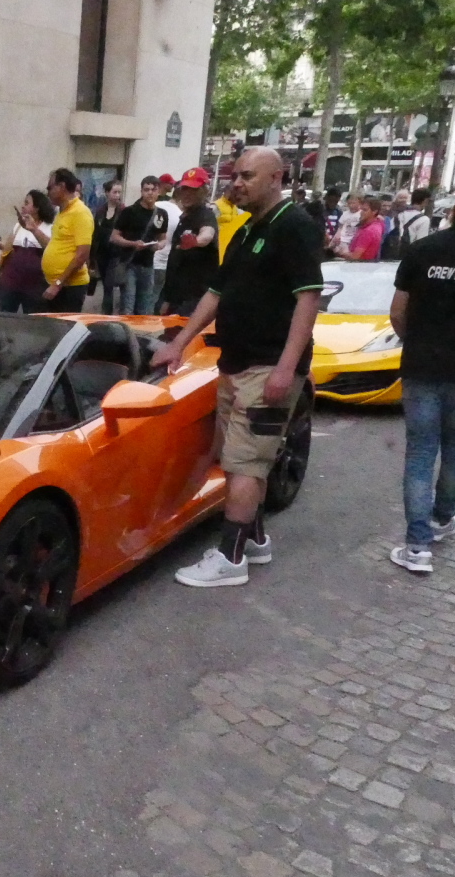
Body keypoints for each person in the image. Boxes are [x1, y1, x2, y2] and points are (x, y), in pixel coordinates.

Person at [151, 147, 323, 587]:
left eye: (247, 176)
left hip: (267, 366)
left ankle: (230, 557)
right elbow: (217, 291)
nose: (236, 183)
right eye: (234, 176)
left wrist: (286, 368)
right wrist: (180, 343)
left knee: (245, 462)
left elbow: (308, 298)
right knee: (240, 458)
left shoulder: (295, 227)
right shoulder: (250, 230)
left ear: (275, 178)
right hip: (236, 363)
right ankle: (256, 538)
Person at [386, 164, 455, 573]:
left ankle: (417, 546)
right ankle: (443, 516)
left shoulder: (424, 250)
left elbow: (398, 312)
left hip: (423, 365)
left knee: (420, 451)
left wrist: (416, 341)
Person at [157, 167, 219, 317]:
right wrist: (167, 299)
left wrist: (195, 241)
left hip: (194, 300)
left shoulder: (205, 215)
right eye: (184, 189)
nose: (187, 194)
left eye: (194, 190)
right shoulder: (185, 217)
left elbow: (207, 234)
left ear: (204, 191)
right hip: (175, 297)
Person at [0, 189, 56, 314]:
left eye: (27, 203)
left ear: (37, 208)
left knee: (33, 322)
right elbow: (5, 253)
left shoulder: (50, 228)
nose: (22, 206)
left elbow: (52, 250)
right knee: (6, 319)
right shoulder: (18, 226)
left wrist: (34, 229)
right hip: (11, 284)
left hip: (35, 287)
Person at [110, 175, 169, 314]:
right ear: (141, 192)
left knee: (145, 306)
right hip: (130, 264)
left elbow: (163, 238)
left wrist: (159, 245)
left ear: (159, 191)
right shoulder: (129, 212)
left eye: (153, 189)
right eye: (146, 189)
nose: (150, 193)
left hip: (148, 265)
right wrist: (132, 243)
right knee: (128, 305)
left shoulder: (161, 214)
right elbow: (114, 237)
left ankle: (139, 334)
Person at [40, 168, 95, 311]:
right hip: (55, 285)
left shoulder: (80, 212)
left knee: (65, 329)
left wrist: (58, 283)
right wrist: (33, 229)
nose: (48, 192)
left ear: (62, 186)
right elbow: (55, 245)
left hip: (70, 287)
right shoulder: (61, 212)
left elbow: (82, 255)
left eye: (50, 187)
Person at [92, 180, 126, 314]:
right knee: (106, 286)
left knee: (109, 284)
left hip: (116, 253)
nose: (117, 195)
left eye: (119, 192)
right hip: (102, 253)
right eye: (115, 192)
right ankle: (107, 313)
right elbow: (96, 232)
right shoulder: (101, 211)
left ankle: (108, 313)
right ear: (107, 193)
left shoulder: (123, 211)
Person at [152, 179, 183, 302]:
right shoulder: (180, 215)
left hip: (147, 259)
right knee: (156, 297)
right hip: (164, 262)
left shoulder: (157, 205)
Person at [337, 195, 384, 261]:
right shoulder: (378, 223)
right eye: (361, 209)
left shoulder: (368, 231)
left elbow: (355, 257)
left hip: (359, 266)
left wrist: (339, 252)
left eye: (365, 210)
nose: (361, 213)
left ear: (374, 212)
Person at [214, 182, 250, 262]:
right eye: (235, 192)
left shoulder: (238, 210)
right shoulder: (215, 207)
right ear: (228, 191)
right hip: (216, 252)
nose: (237, 196)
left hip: (232, 251)